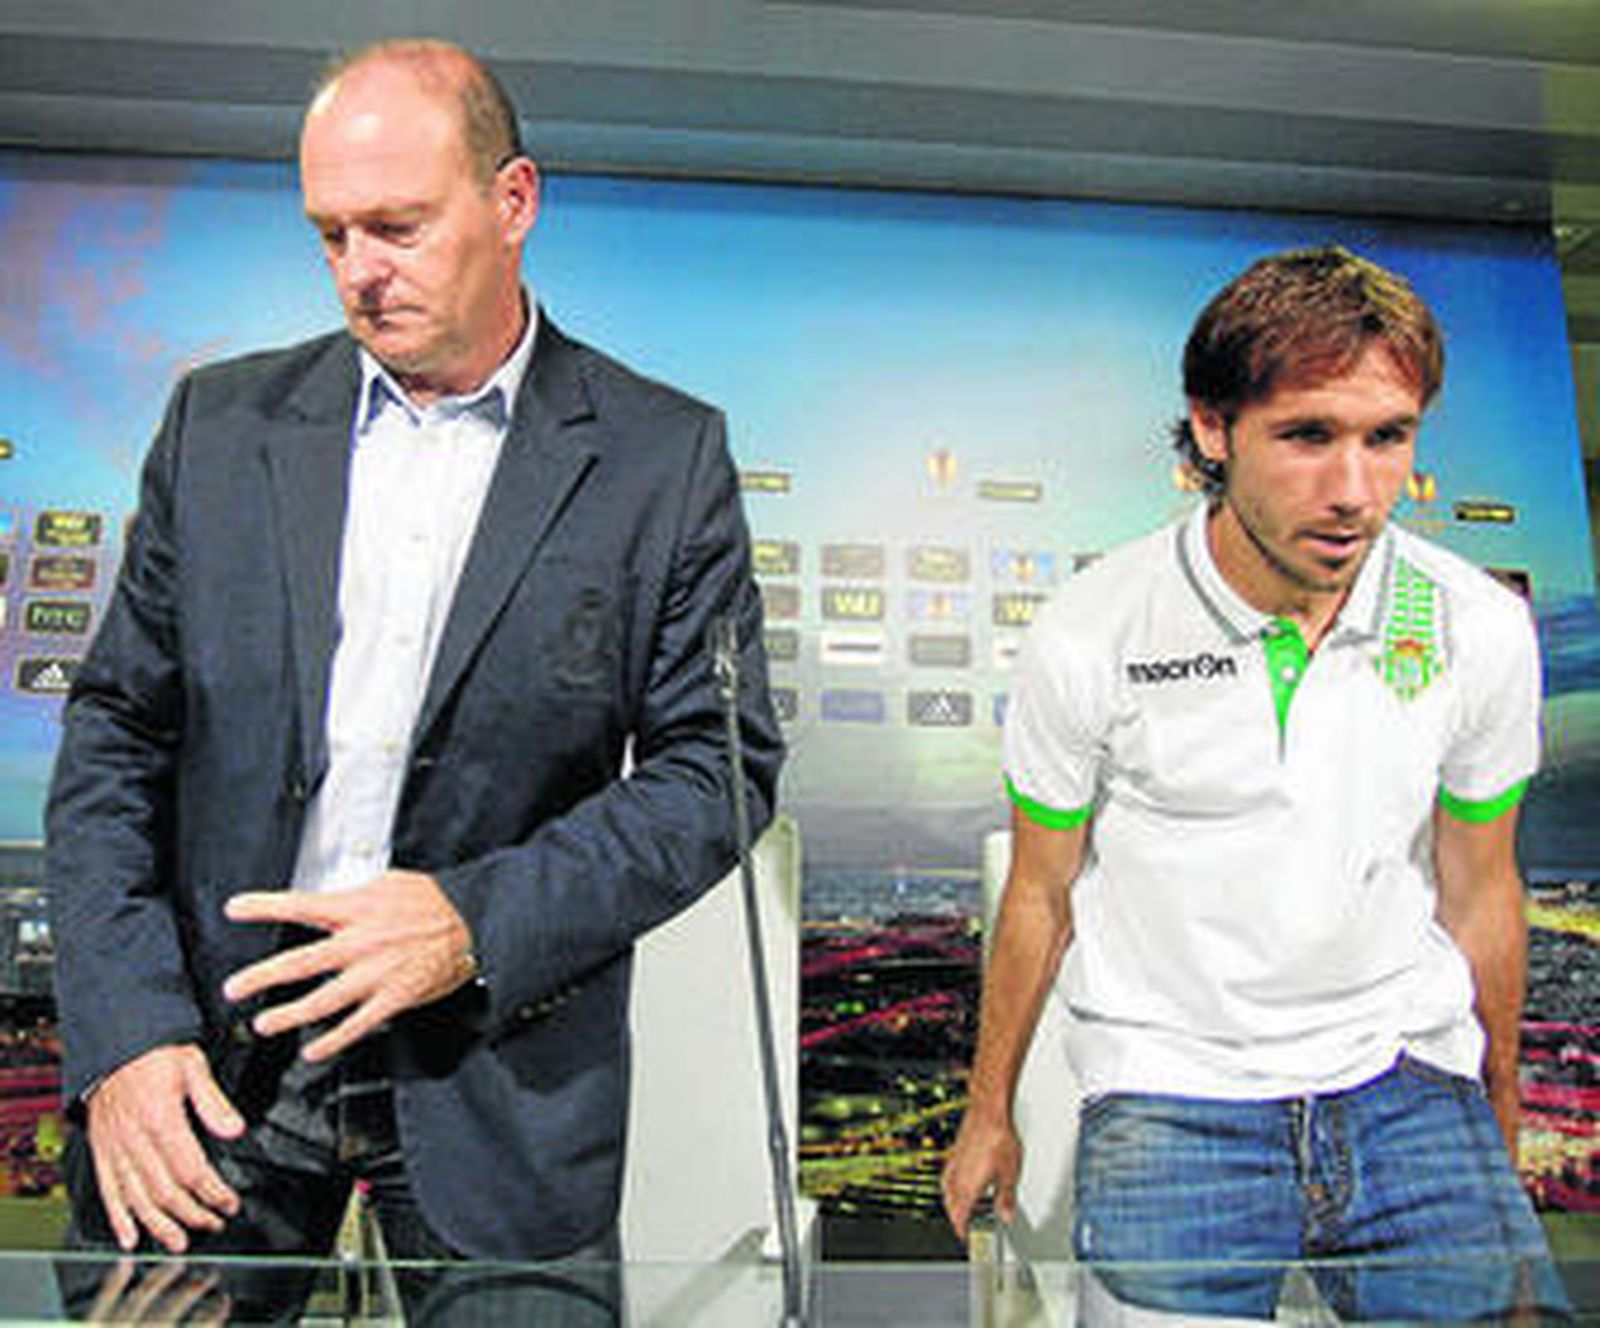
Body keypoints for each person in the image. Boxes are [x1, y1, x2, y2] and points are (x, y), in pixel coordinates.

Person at [45, 36, 782, 1320]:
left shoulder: (662, 458)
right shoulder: (219, 427)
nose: (358, 274)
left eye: (395, 226)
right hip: (211, 1073)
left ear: (513, 202)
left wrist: (469, 922)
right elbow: (115, 730)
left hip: (498, 1078)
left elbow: (712, 774)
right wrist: (123, 1035)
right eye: (329, 234)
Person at [942, 246, 1567, 1322]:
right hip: (1170, 1083)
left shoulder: (1474, 624)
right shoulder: (1092, 628)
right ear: (1211, 429)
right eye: (1306, 436)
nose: (1354, 491)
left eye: (1387, 437)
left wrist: (1494, 1106)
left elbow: (1479, 886)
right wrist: (986, 1106)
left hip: (1406, 1075)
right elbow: (1040, 892)